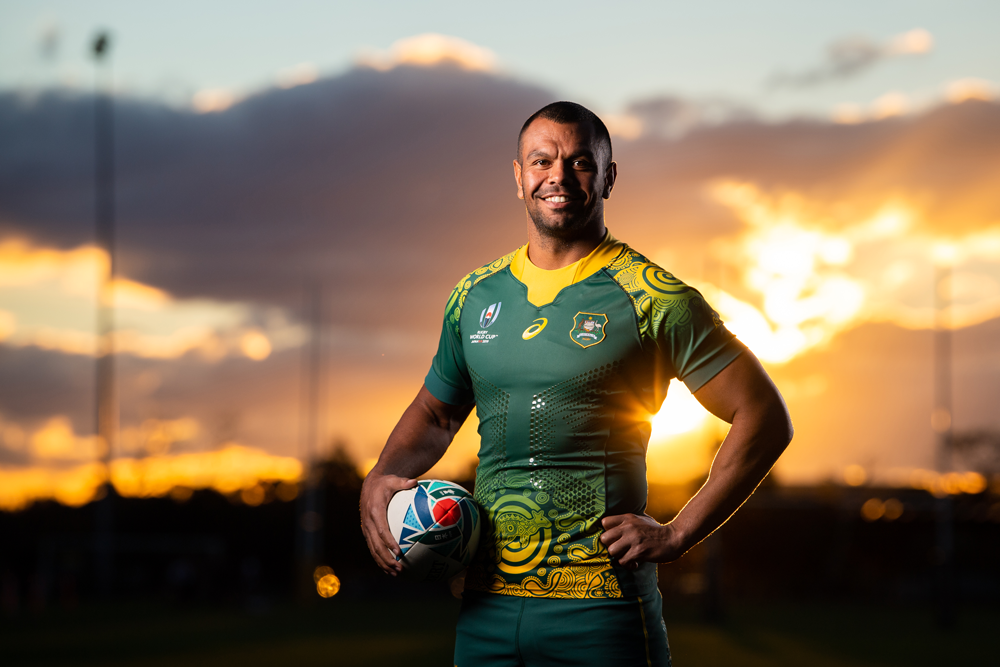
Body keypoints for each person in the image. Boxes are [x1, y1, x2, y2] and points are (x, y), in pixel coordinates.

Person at [360, 101, 793, 666]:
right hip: (485, 607)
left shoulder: (656, 299)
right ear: (518, 177)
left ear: (609, 175)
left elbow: (764, 417)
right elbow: (438, 414)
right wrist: (381, 476)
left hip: (602, 613)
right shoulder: (475, 295)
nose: (558, 176)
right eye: (541, 161)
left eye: (580, 161)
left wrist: (679, 532)